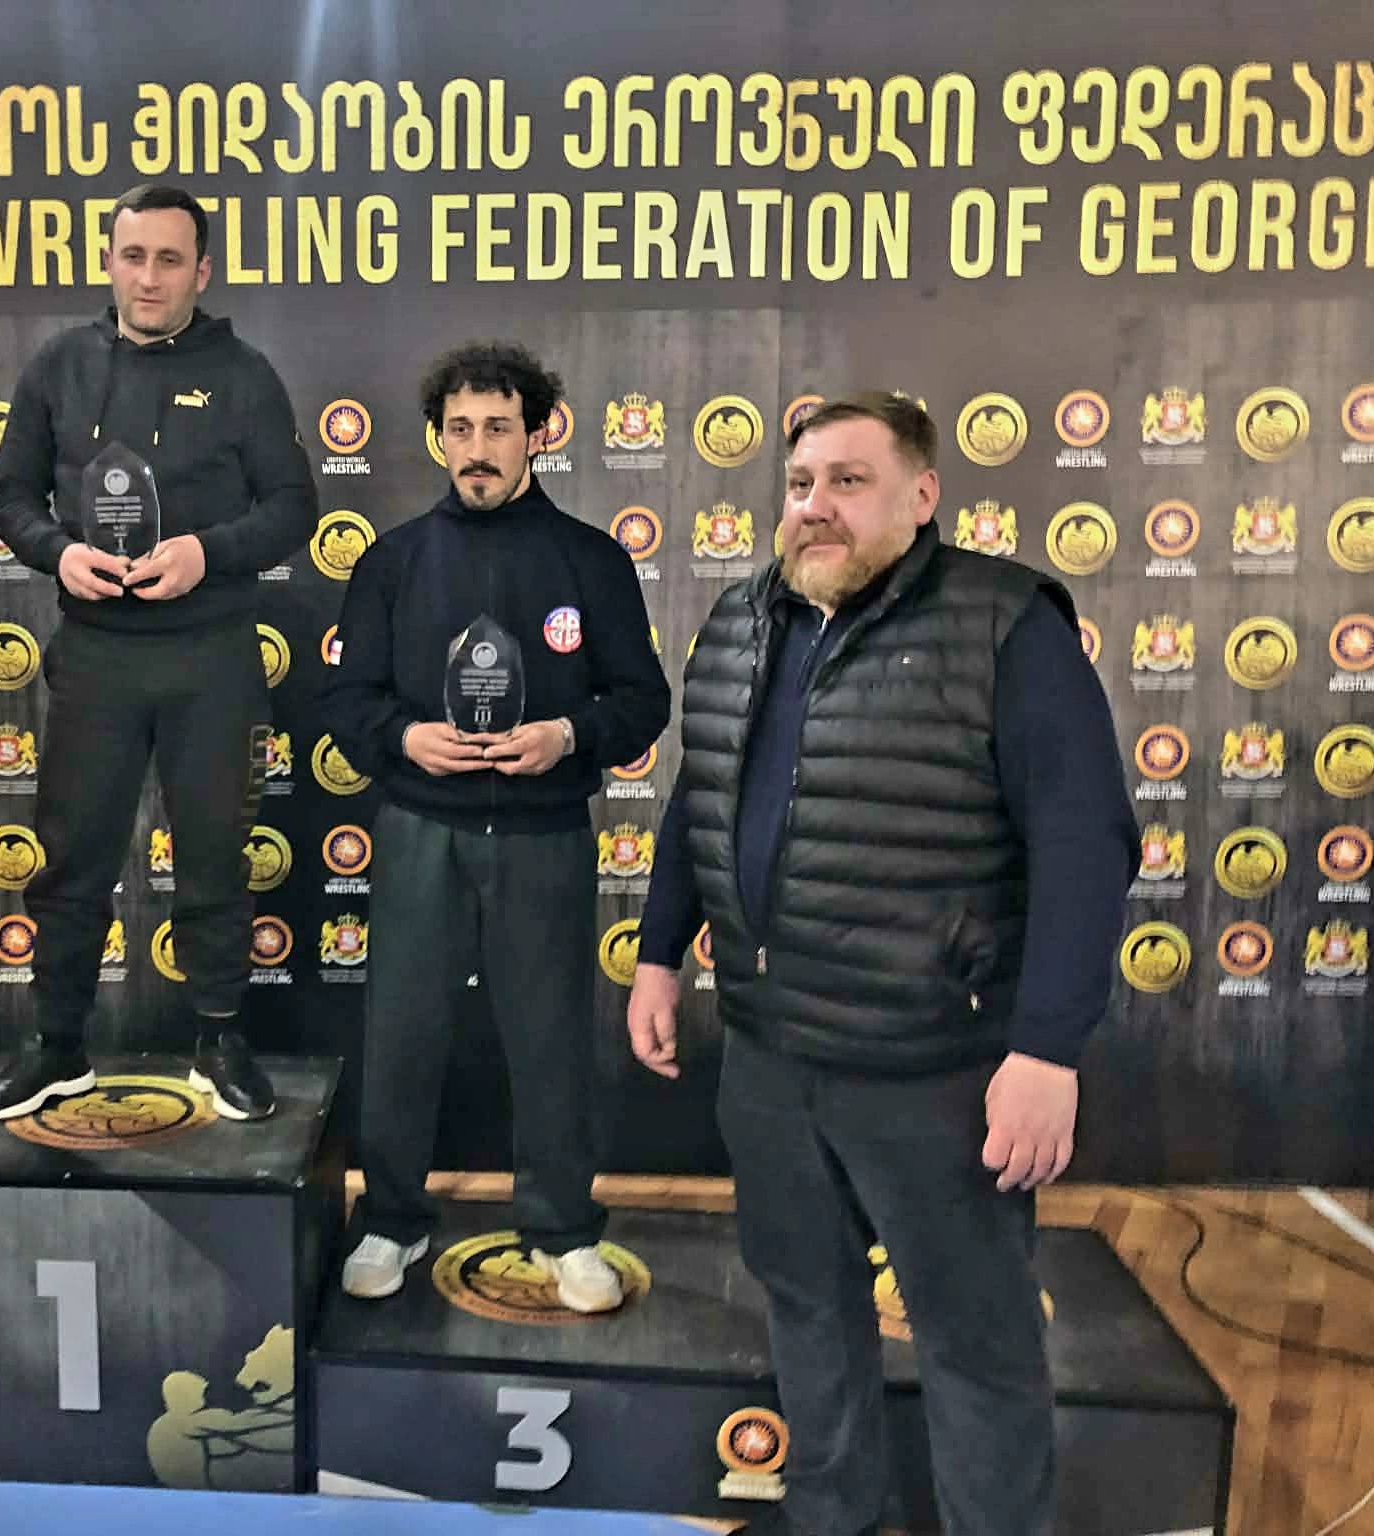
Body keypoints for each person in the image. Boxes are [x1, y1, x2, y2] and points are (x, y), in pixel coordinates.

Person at [626, 393, 1135, 1534]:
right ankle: (835, 1520)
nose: (815, 506)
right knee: (808, 1314)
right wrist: (658, 952)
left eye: (848, 482)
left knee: (975, 1345)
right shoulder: (741, 618)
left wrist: (1045, 1050)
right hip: (768, 1055)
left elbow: (1084, 845)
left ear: (922, 495)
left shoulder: (1005, 625)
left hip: (933, 1068)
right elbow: (699, 796)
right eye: (801, 483)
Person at [321, 341, 669, 1311]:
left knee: (551, 1039)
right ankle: (392, 1218)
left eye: (498, 428)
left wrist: (567, 735)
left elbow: (641, 701)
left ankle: (562, 1230)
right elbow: (346, 701)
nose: (478, 448)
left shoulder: (589, 559)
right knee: (401, 1035)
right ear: (438, 439)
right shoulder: (393, 561)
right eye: (461, 429)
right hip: (419, 830)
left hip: (542, 835)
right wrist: (404, 738)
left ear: (536, 436)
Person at [0, 184, 317, 1124]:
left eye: (170, 259)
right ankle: (57, 1046)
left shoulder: (245, 374)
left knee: (214, 859)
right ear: (110, 262)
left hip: (212, 655)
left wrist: (208, 552)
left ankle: (219, 1037)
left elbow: (294, 507)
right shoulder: (59, 365)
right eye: (134, 256)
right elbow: (10, 495)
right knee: (72, 860)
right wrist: (58, 553)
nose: (149, 277)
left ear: (202, 272)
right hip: (97, 655)